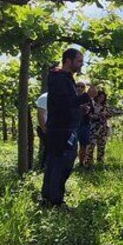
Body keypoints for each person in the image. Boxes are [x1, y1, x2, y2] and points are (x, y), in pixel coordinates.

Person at [41, 49, 97, 208]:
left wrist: (80, 110)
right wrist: (87, 97)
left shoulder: (64, 78)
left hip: (63, 128)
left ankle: (48, 198)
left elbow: (64, 104)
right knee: (61, 165)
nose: (81, 64)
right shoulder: (59, 78)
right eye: (79, 61)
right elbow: (66, 102)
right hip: (61, 130)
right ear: (68, 60)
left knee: (54, 164)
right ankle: (55, 202)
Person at [87, 89, 112, 167]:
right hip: (93, 129)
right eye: (100, 97)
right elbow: (88, 115)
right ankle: (89, 163)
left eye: (103, 97)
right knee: (91, 146)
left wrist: (108, 115)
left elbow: (108, 115)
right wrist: (98, 116)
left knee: (101, 146)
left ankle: (100, 163)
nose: (101, 98)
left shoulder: (105, 107)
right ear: (96, 97)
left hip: (103, 129)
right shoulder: (92, 105)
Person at [76, 81, 93, 167]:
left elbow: (89, 109)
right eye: (77, 86)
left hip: (84, 124)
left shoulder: (86, 96)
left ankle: (81, 163)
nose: (79, 88)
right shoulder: (71, 96)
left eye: (82, 86)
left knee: (83, 145)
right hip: (73, 124)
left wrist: (83, 109)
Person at [35, 91, 48, 170]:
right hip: (45, 128)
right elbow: (41, 115)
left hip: (55, 128)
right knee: (50, 147)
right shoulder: (44, 97)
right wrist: (45, 130)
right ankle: (44, 167)